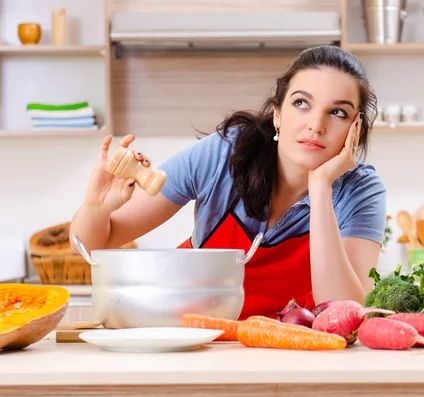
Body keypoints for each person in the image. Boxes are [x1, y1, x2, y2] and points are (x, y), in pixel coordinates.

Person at [70, 45, 387, 320]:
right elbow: (93, 244)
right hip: (192, 337)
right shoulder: (224, 154)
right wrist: (96, 207)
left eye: (338, 113)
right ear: (277, 114)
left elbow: (345, 312)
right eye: (302, 103)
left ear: (356, 128)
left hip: (289, 348)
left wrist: (320, 188)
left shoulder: (360, 191)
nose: (316, 125)